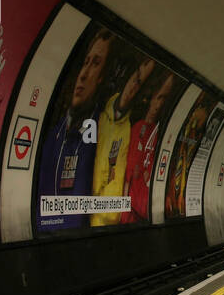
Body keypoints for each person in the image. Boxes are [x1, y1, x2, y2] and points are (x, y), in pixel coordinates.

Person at [37, 29, 113, 231]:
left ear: (101, 78)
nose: (83, 74)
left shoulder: (100, 128)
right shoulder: (56, 132)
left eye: (95, 63)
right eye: (85, 62)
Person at [92, 57, 155, 226]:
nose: (134, 87)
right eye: (135, 79)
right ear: (127, 77)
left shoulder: (129, 129)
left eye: (140, 84)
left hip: (108, 219)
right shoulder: (100, 111)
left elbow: (120, 177)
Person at [120, 71, 176, 224]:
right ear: (151, 97)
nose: (159, 105)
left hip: (145, 217)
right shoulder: (137, 129)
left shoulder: (161, 135)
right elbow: (129, 178)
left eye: (164, 100)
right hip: (129, 217)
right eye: (159, 97)